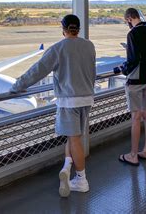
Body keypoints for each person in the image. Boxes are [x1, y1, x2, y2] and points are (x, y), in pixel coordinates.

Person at [10, 14, 96, 197]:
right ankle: (67, 166)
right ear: (78, 29)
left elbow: (37, 71)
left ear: (63, 29)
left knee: (74, 140)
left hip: (69, 101)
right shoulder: (89, 46)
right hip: (87, 99)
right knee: (73, 137)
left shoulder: (58, 49)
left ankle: (81, 180)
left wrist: (17, 87)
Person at [114, 8, 146, 166]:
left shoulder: (132, 34)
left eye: (127, 21)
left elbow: (132, 59)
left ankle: (133, 155)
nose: (127, 23)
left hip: (136, 80)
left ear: (130, 18)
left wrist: (122, 69)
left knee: (136, 117)